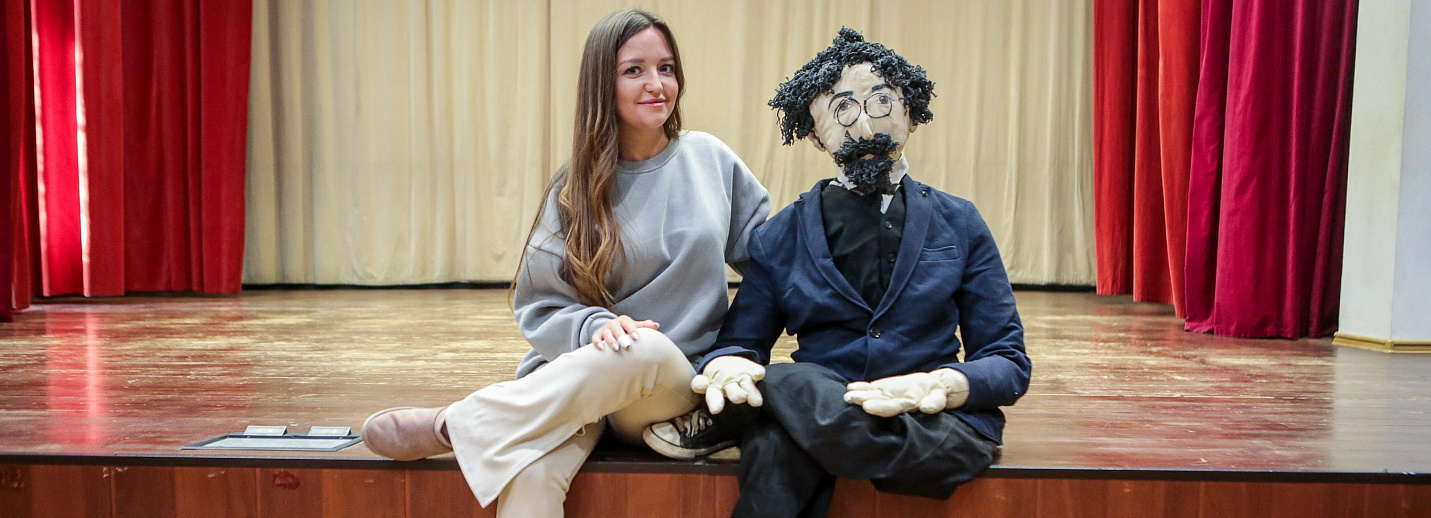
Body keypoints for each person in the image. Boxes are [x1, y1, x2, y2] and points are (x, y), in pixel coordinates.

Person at [361, 9, 770, 517]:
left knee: (642, 347)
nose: (656, 84)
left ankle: (459, 425)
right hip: (579, 382)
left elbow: (771, 263)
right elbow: (540, 303)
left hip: (666, 391)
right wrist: (594, 326)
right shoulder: (574, 185)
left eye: (666, 68)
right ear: (602, 84)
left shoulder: (711, 159)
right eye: (634, 70)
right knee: (530, 476)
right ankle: (487, 425)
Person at [642, 28, 1031, 517]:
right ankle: (801, 413)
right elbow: (741, 343)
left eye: (882, 103)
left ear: (911, 112)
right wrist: (729, 365)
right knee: (787, 406)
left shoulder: (961, 221)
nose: (865, 128)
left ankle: (779, 414)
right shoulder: (780, 235)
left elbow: (1007, 360)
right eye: (843, 110)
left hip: (931, 424)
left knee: (782, 409)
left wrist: (942, 385)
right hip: (824, 399)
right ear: (813, 133)